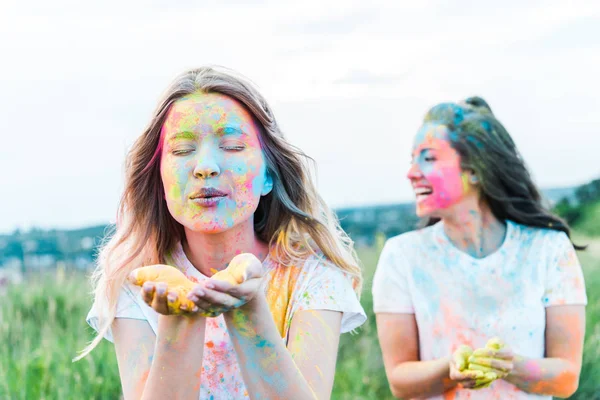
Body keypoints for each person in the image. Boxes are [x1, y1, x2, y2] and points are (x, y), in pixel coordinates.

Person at [75, 66, 366, 400]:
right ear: (160, 180)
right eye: (183, 151)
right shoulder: (136, 282)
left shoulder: (314, 279)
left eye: (231, 146)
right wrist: (179, 318)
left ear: (268, 175)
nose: (206, 166)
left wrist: (249, 308)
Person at [372, 97, 587, 399]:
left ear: (474, 170)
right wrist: (451, 370)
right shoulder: (401, 257)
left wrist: (510, 366)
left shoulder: (548, 249)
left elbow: (566, 378)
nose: (412, 173)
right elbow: (400, 381)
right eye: (412, 159)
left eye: (428, 158)